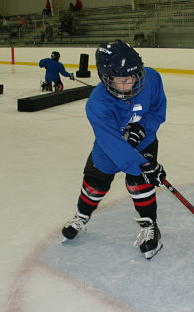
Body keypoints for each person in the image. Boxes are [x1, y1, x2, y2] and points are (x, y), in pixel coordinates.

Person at [61, 40, 167, 260]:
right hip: (110, 147)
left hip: (145, 141)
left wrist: (142, 129)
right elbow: (112, 143)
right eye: (122, 80)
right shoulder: (97, 104)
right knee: (94, 184)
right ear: (106, 77)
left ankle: (150, 225)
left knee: (140, 184)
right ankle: (81, 216)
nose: (130, 84)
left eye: (133, 77)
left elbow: (157, 110)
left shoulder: (152, 78)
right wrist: (143, 165)